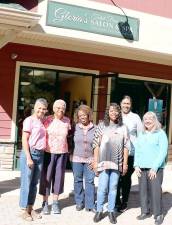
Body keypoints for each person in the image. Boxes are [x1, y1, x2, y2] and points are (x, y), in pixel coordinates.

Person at [93, 103, 129, 224]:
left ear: (119, 113)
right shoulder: (101, 125)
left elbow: (126, 147)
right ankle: (99, 210)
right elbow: (96, 145)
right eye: (111, 111)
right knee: (102, 188)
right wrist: (95, 162)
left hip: (117, 162)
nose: (114, 113)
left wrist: (125, 164)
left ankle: (111, 211)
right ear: (108, 112)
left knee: (113, 188)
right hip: (103, 162)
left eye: (116, 111)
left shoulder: (123, 127)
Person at [134, 111, 168, 225]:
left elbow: (163, 152)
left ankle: (158, 214)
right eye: (145, 119)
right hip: (142, 167)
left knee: (155, 191)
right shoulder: (141, 134)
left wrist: (154, 167)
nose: (147, 121)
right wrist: (136, 165)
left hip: (155, 169)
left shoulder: (160, 133)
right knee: (143, 191)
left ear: (155, 120)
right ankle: (145, 211)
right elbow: (137, 150)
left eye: (150, 119)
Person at [39, 99, 71, 215]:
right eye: (58, 107)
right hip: (48, 152)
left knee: (58, 178)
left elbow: (68, 137)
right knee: (46, 178)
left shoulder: (67, 121)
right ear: (53, 108)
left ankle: (56, 203)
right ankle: (45, 203)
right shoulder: (47, 120)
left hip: (62, 153)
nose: (60, 109)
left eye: (63, 107)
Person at [19, 98, 48, 221]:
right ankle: (24, 210)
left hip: (40, 154)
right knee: (26, 182)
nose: (41, 110)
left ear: (46, 110)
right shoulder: (29, 120)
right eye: (39, 108)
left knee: (34, 183)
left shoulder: (44, 122)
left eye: (43, 108)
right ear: (35, 108)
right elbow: (24, 139)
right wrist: (29, 157)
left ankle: (31, 208)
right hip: (30, 153)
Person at [116, 95, 142, 212]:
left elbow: (141, 136)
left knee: (126, 178)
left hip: (131, 153)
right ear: (120, 103)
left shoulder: (135, 117)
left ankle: (124, 202)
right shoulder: (116, 115)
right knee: (115, 178)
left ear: (131, 105)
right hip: (116, 153)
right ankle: (116, 201)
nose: (126, 105)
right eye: (124, 103)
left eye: (128, 103)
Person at [71, 105, 96, 212]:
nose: (82, 117)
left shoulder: (95, 128)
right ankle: (79, 202)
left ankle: (90, 204)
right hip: (77, 159)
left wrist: (96, 159)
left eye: (84, 115)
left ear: (88, 115)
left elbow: (98, 145)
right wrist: (70, 154)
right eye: (80, 115)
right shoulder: (74, 127)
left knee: (90, 181)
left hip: (90, 159)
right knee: (78, 180)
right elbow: (69, 141)